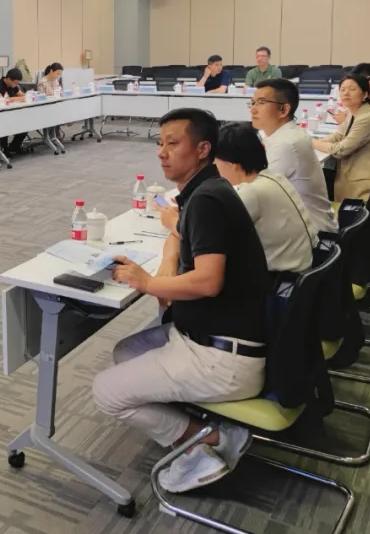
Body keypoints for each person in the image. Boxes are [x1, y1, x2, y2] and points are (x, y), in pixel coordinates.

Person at [93, 108, 271, 494]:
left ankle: (208, 441)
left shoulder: (207, 200)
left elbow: (208, 281)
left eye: (173, 144)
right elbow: (180, 230)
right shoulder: (207, 189)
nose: (161, 152)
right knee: (126, 352)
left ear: (203, 149)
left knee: (106, 392)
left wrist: (148, 282)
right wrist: (168, 266)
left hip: (222, 359)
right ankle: (199, 425)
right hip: (218, 335)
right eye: (160, 143)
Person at [214, 122, 315, 273]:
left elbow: (214, 234)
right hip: (304, 269)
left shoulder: (252, 192)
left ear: (233, 165)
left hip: (282, 279)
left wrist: (180, 220)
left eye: (216, 164)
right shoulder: (274, 177)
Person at [247, 78, 336, 235]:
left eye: (261, 102)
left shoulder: (286, 143)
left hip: (311, 233)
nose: (253, 110)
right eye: (252, 103)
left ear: (283, 110)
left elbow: (258, 194)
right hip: (298, 224)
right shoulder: (283, 135)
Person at [313, 74, 370, 202]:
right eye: (342, 89)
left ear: (365, 94)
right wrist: (318, 141)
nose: (346, 93)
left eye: (352, 89)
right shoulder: (355, 111)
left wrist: (312, 143)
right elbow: (338, 135)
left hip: (366, 181)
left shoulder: (368, 118)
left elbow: (340, 150)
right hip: (354, 171)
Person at [0, 67, 28, 154]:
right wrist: (15, 99)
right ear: (8, 79)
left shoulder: (13, 86)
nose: (16, 85)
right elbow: (1, 100)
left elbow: (23, 96)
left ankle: (14, 146)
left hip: (12, 113)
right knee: (5, 129)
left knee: (25, 125)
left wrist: (17, 98)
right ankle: (3, 150)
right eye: (15, 83)